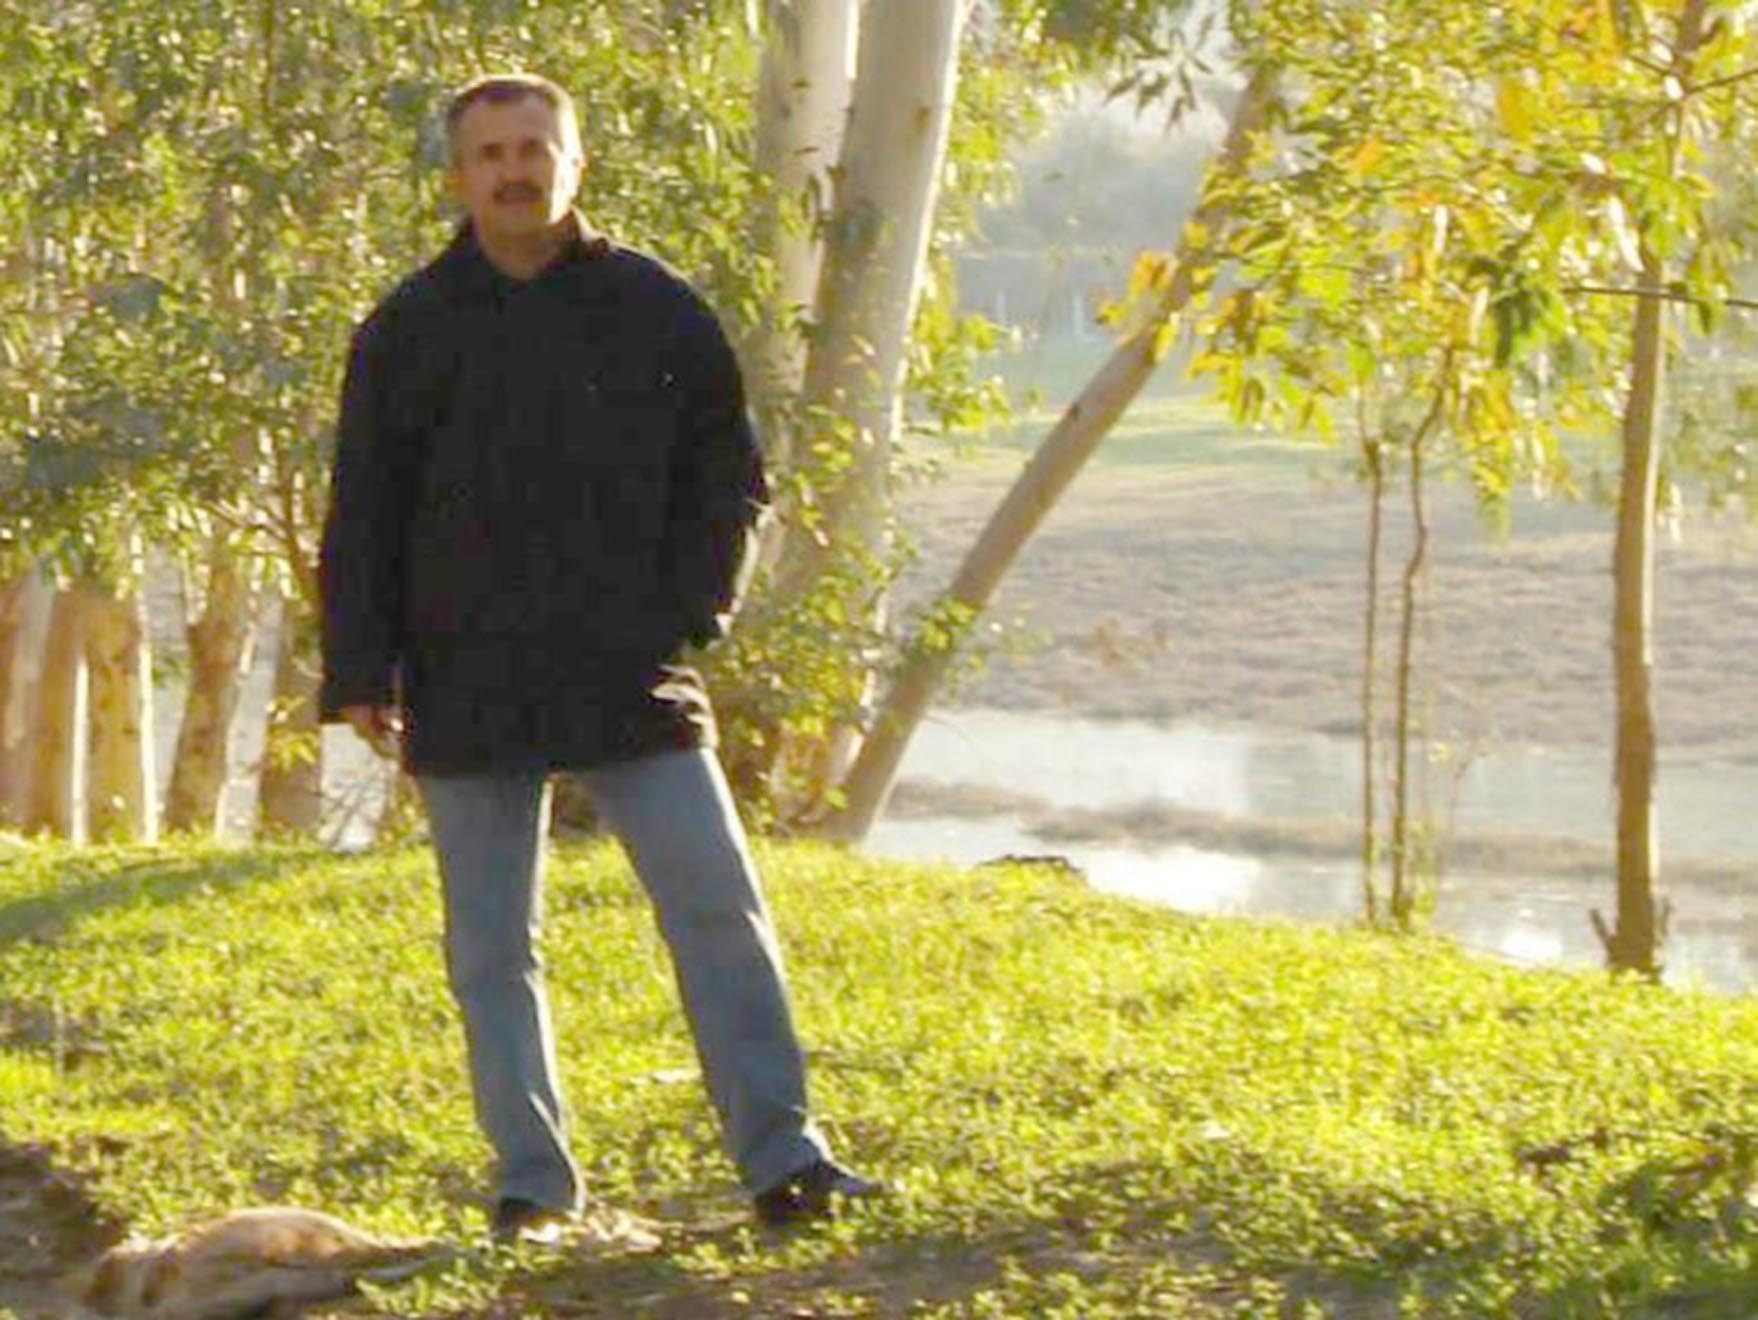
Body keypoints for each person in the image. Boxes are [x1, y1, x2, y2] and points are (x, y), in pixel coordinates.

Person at [317, 72, 878, 1243]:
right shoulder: (409, 330)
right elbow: (363, 508)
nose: (514, 172)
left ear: (575, 163)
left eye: (535, 149)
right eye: (491, 154)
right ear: (458, 175)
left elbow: (729, 477)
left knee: (719, 911)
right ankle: (533, 1188)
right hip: (465, 672)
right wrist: (362, 670)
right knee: (491, 953)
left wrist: (691, 614)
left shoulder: (655, 310)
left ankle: (786, 1162)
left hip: (629, 667)